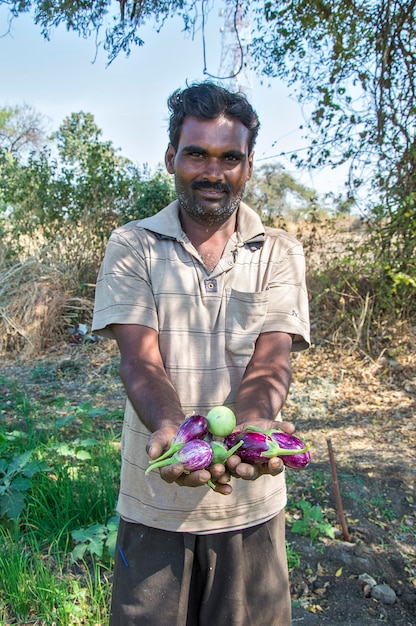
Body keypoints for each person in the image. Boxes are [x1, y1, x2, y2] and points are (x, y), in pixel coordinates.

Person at [92, 81, 310, 626]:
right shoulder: (132, 245)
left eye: (230, 157)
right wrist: (172, 429)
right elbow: (140, 360)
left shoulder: (279, 250)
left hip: (251, 506)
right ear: (172, 157)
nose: (214, 172)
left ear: (248, 166)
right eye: (197, 154)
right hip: (154, 506)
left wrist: (253, 429)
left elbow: (272, 358)